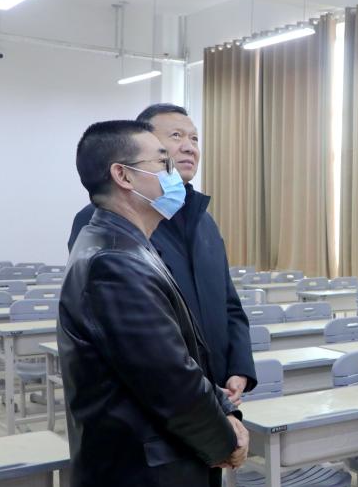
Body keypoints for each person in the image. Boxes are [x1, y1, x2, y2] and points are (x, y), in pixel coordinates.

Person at [59, 120, 249, 487]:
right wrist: (225, 439)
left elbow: (182, 353)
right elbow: (170, 381)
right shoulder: (112, 261)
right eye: (161, 162)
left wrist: (223, 409)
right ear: (123, 175)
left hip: (169, 477)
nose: (173, 171)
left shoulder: (129, 246)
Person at [67, 103, 256, 406]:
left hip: (213, 396)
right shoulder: (104, 221)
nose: (189, 147)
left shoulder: (204, 221)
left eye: (194, 139)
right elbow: (131, 343)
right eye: (176, 136)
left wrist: (239, 368)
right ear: (146, 143)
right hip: (156, 404)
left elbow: (229, 304)